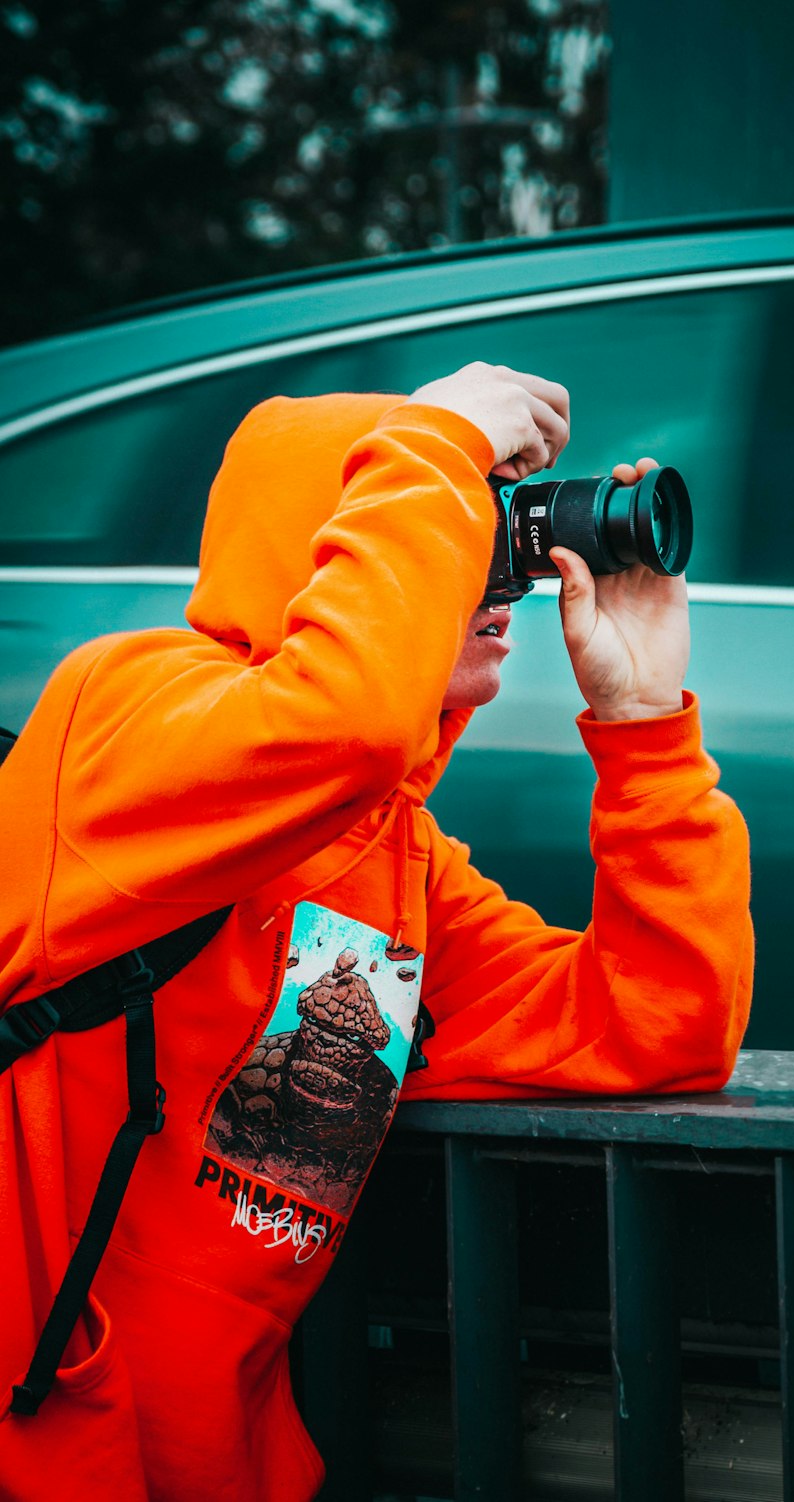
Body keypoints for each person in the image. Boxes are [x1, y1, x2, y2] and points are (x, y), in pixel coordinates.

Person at [0, 362, 753, 1501]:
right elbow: (341, 721)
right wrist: (437, 437)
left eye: (491, 531)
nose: (497, 572)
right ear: (334, 550)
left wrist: (642, 724)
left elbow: (659, 1024)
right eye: (459, 521)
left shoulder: (393, 873)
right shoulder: (118, 713)